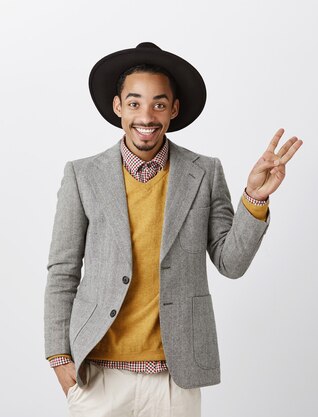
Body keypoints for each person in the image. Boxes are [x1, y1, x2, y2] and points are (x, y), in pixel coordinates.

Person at [44, 42, 303, 417]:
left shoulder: (205, 172)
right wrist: (58, 358)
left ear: (173, 110)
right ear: (118, 107)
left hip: (174, 378)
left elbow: (231, 263)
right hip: (97, 374)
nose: (145, 115)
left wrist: (254, 198)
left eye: (158, 104)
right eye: (134, 103)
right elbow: (62, 270)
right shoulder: (82, 175)